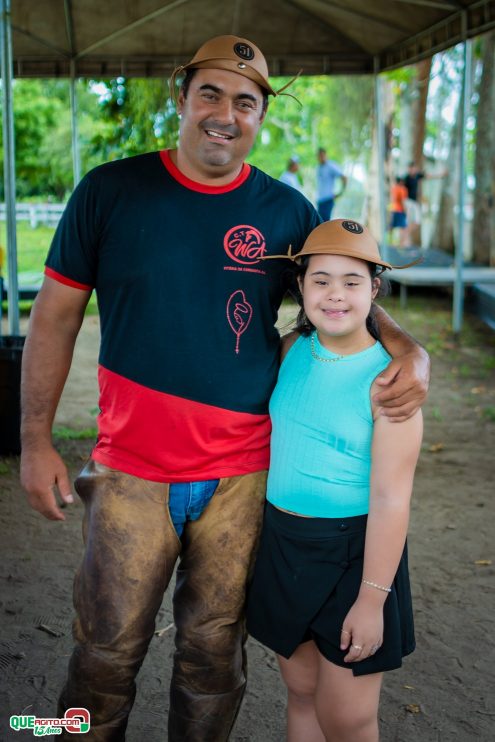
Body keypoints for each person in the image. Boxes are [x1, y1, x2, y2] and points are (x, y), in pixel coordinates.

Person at [20, 33, 429, 742]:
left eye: (245, 102)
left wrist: (407, 347)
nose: (225, 113)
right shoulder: (111, 191)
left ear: (259, 118)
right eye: (209, 93)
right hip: (130, 471)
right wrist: (34, 442)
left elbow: (343, 284)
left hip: (245, 475)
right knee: (104, 653)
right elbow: (54, 317)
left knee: (214, 656)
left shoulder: (287, 211)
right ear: (180, 97)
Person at [247, 219, 423, 742]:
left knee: (346, 716)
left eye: (352, 281)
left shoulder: (392, 383)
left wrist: (372, 600)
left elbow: (392, 498)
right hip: (282, 543)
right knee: (301, 693)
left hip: (352, 555)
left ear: (375, 289)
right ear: (300, 288)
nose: (335, 294)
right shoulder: (288, 351)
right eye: (320, 279)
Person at [403, 160, 447, 246]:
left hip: (414, 202)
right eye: (411, 168)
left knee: (417, 222)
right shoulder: (406, 178)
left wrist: (441, 175)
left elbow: (429, 176)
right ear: (409, 169)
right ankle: (405, 240)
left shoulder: (418, 176)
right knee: (408, 221)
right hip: (408, 202)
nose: (413, 170)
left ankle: (406, 235)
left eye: (414, 168)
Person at [316, 147, 347, 221]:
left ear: (326, 155)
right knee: (319, 223)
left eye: (323, 155)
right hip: (320, 200)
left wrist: (340, 193)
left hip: (328, 199)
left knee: (325, 223)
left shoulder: (330, 166)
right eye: (319, 156)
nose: (321, 157)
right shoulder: (319, 167)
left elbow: (344, 178)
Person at [389, 176, 408, 247]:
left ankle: (390, 243)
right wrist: (405, 211)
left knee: (392, 227)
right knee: (403, 227)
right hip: (400, 210)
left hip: (393, 209)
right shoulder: (402, 189)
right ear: (401, 182)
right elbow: (403, 201)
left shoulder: (393, 189)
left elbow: (392, 199)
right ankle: (402, 244)